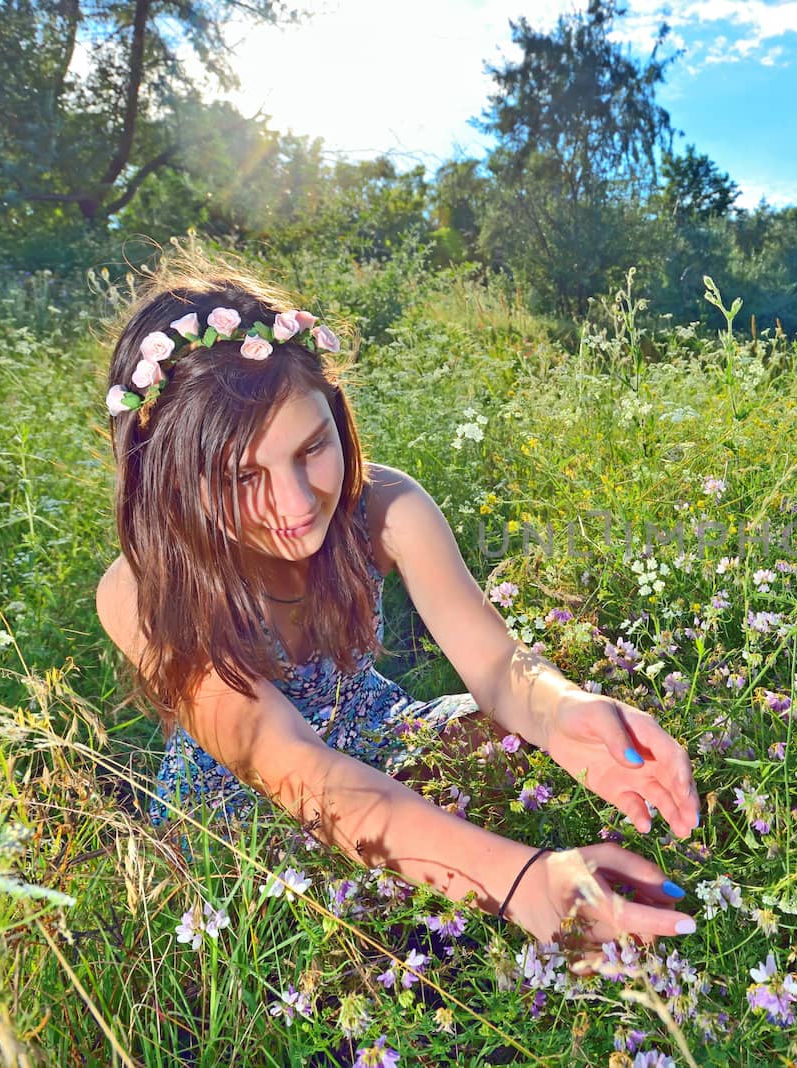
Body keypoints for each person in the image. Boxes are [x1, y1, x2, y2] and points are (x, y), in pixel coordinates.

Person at [93, 248, 700, 951]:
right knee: (326, 946)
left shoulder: (385, 506)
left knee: (536, 727)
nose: (295, 501)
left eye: (313, 448)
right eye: (240, 478)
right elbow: (301, 773)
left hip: (380, 732)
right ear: (169, 481)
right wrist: (521, 880)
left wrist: (563, 711)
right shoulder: (143, 589)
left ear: (337, 415)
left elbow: (500, 667)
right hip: (246, 816)